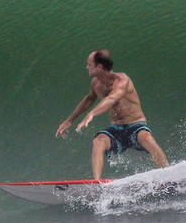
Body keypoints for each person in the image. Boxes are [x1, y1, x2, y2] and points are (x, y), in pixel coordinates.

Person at [55, 49, 169, 180]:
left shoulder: (122, 81)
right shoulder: (95, 83)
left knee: (146, 137)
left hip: (136, 125)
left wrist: (92, 113)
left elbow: (111, 99)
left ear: (99, 67)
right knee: (98, 141)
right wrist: (69, 120)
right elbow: (89, 99)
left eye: (89, 64)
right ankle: (97, 183)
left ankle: (167, 175)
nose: (86, 67)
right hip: (117, 129)